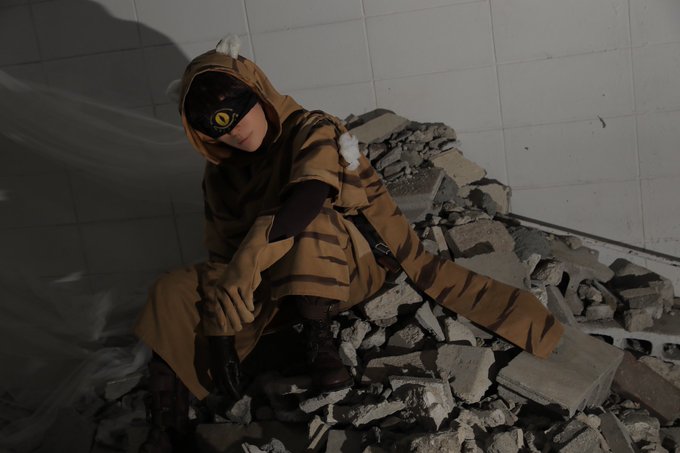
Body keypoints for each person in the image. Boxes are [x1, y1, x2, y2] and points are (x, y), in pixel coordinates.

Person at [134, 36, 564, 452]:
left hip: (351, 266)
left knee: (311, 221)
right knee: (172, 290)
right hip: (268, 282)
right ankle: (168, 422)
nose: (231, 130)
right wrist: (220, 327)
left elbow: (307, 197)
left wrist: (246, 262)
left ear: (257, 90)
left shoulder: (311, 127)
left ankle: (319, 343)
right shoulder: (220, 177)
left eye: (234, 111)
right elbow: (220, 256)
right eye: (213, 126)